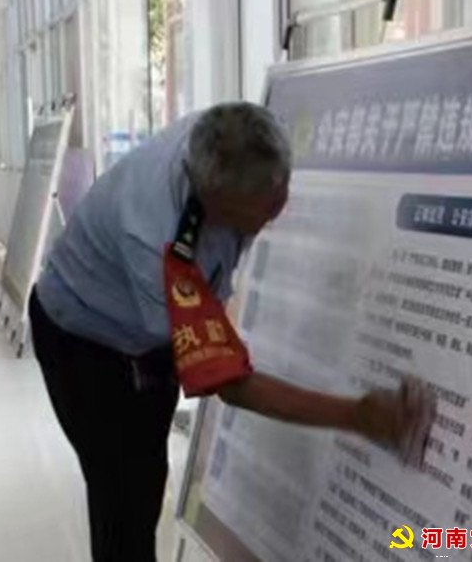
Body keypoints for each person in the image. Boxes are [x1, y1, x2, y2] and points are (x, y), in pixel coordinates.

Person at [29, 102, 437, 562]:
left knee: (145, 476)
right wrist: (359, 415)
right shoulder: (157, 240)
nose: (278, 209)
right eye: (261, 209)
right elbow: (231, 386)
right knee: (126, 496)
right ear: (211, 198)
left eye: (280, 194)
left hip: (141, 332)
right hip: (85, 342)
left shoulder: (233, 137)